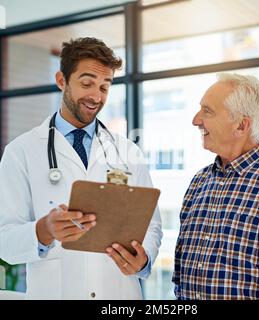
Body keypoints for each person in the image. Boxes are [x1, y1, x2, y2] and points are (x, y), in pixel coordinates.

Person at [0, 37, 162, 300]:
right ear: (62, 80)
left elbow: (152, 226)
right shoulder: (21, 152)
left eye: (105, 87)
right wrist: (44, 230)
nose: (96, 96)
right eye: (87, 83)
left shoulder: (128, 152)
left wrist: (143, 259)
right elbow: (4, 240)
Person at [172, 73, 259, 300]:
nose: (196, 120)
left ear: (241, 125)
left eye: (207, 111)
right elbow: (180, 276)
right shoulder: (198, 183)